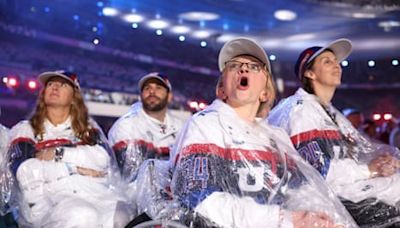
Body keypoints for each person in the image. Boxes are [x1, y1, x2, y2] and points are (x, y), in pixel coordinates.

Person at [169, 37, 356, 227]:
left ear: (265, 93)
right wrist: (282, 219)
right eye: (234, 66)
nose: (243, 69)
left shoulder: (276, 137)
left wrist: (322, 218)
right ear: (221, 90)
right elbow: (198, 198)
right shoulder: (204, 124)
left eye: (255, 67)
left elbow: (302, 189)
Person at [268, 38, 400, 227]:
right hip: (326, 198)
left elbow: (362, 152)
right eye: (327, 61)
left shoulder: (329, 111)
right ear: (310, 73)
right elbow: (318, 170)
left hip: (347, 189)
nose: (336, 65)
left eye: (336, 61)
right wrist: (369, 169)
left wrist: (384, 162)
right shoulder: (301, 110)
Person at [1, 70, 133, 227]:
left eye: (62, 85)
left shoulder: (88, 128)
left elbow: (102, 159)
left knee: (122, 216)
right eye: (50, 84)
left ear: (73, 97)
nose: (54, 88)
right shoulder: (25, 129)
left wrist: (58, 153)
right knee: (83, 216)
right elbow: (26, 171)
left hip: (97, 193)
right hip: (51, 200)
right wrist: (74, 169)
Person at [108, 72, 185, 219]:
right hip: (132, 196)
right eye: (147, 88)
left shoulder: (181, 126)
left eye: (158, 88)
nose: (152, 91)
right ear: (140, 95)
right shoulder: (127, 125)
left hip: (173, 195)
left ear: (169, 96)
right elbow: (130, 177)